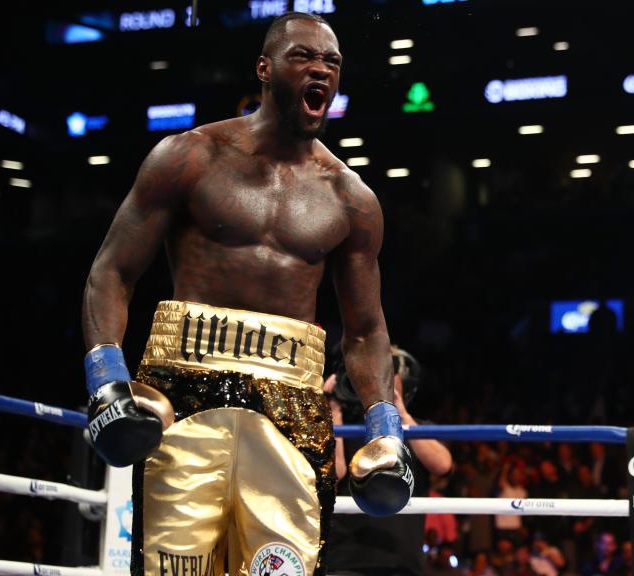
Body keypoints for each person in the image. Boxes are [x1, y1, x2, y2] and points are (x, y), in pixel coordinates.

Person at [80, 12, 413, 576]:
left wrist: (386, 431)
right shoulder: (189, 157)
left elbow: (366, 330)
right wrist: (106, 381)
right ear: (264, 68)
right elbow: (110, 272)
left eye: (332, 62)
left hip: (290, 405)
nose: (321, 71)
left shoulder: (351, 198)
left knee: (283, 566)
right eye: (303, 56)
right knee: (173, 567)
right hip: (183, 391)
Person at [325, 347, 453, 576]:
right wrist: (333, 410)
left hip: (401, 561)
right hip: (345, 558)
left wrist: (398, 412)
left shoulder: (418, 428)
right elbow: (336, 472)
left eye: (385, 373)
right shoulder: (346, 427)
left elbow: (442, 464)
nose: (376, 381)